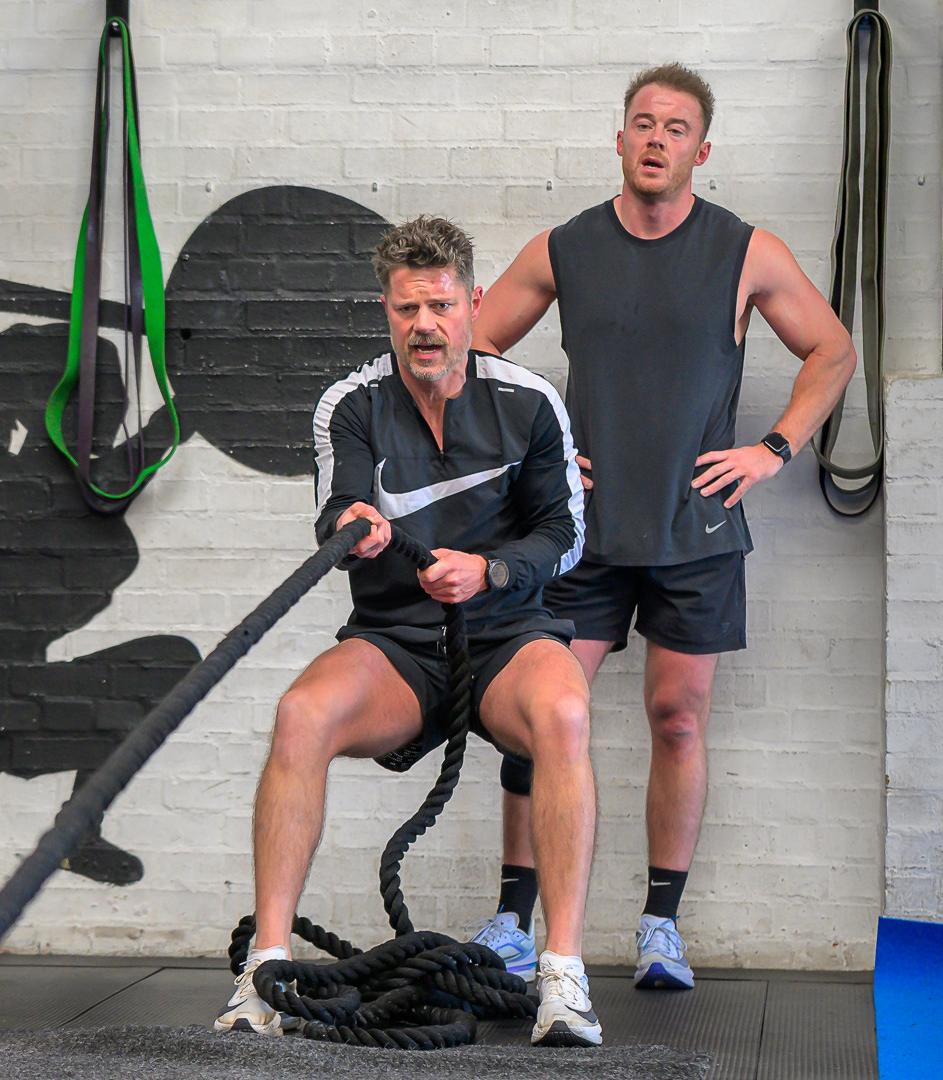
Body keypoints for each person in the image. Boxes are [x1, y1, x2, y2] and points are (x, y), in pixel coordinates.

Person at [467, 62, 858, 990]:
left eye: (676, 128)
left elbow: (833, 349)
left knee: (677, 720)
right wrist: (535, 455)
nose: (656, 139)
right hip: (581, 531)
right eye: (643, 123)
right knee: (538, 717)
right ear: (619, 139)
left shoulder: (746, 251)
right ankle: (513, 922)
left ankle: (659, 927)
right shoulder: (565, 247)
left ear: (701, 150)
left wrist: (772, 448)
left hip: (697, 531)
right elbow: (474, 348)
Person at [213, 215, 602, 1047]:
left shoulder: (531, 402)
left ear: (473, 304)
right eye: (406, 309)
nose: (424, 325)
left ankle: (562, 975)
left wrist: (489, 571)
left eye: (440, 306)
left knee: (566, 715)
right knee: (300, 715)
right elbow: (337, 509)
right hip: (396, 644)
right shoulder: (350, 405)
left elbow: (565, 535)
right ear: (386, 312)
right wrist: (354, 524)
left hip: (506, 637)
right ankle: (264, 973)